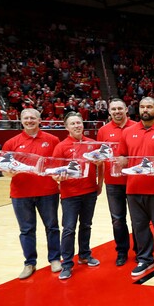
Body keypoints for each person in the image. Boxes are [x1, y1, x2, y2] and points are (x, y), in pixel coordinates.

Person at [2, 108, 62, 279]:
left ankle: (55, 259)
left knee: (52, 227)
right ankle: (30, 263)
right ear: (21, 121)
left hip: (48, 192)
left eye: (33, 118)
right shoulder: (11, 143)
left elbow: (58, 164)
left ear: (39, 120)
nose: (29, 121)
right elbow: (4, 171)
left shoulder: (52, 140)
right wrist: (10, 173)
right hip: (21, 194)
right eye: (26, 118)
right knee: (27, 230)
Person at [118, 97, 154, 277]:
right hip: (133, 188)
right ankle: (145, 259)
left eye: (149, 106)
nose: (145, 109)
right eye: (142, 106)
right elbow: (122, 157)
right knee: (139, 226)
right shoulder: (128, 132)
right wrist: (117, 162)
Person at [51, 112, 104, 280]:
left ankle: (84, 255)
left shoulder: (93, 144)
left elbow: (100, 165)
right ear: (67, 127)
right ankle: (66, 263)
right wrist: (57, 178)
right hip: (70, 194)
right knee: (69, 229)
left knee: (86, 225)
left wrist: (100, 184)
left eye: (79, 123)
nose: (77, 126)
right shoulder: (61, 146)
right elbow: (54, 170)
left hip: (89, 191)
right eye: (73, 123)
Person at [97, 98, 137, 266]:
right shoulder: (103, 131)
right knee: (117, 219)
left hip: (134, 180)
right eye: (113, 109)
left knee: (137, 219)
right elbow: (100, 156)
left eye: (120, 108)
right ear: (109, 111)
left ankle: (140, 250)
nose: (117, 112)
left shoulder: (137, 127)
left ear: (126, 109)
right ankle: (121, 251)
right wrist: (100, 182)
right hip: (113, 182)